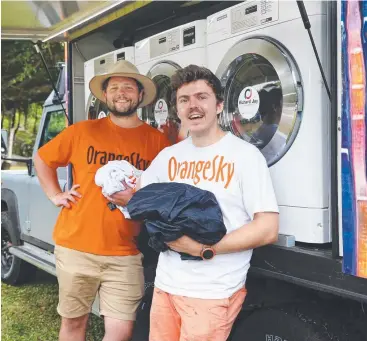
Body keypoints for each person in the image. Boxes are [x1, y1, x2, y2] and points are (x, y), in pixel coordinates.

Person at [109, 64, 279, 341]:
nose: (193, 106)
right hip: (166, 287)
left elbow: (268, 228)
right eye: (184, 100)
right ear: (177, 109)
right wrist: (119, 192)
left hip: (213, 292)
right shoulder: (168, 157)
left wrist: (203, 249)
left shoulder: (245, 156)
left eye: (202, 97)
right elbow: (139, 200)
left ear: (219, 105)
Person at [34, 60, 170, 341]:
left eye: (129, 87)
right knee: (73, 325)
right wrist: (54, 194)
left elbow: (166, 189)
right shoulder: (82, 131)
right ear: (105, 96)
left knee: (121, 333)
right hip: (76, 248)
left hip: (126, 254)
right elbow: (42, 158)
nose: (122, 93)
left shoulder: (157, 142)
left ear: (140, 95)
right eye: (115, 88)